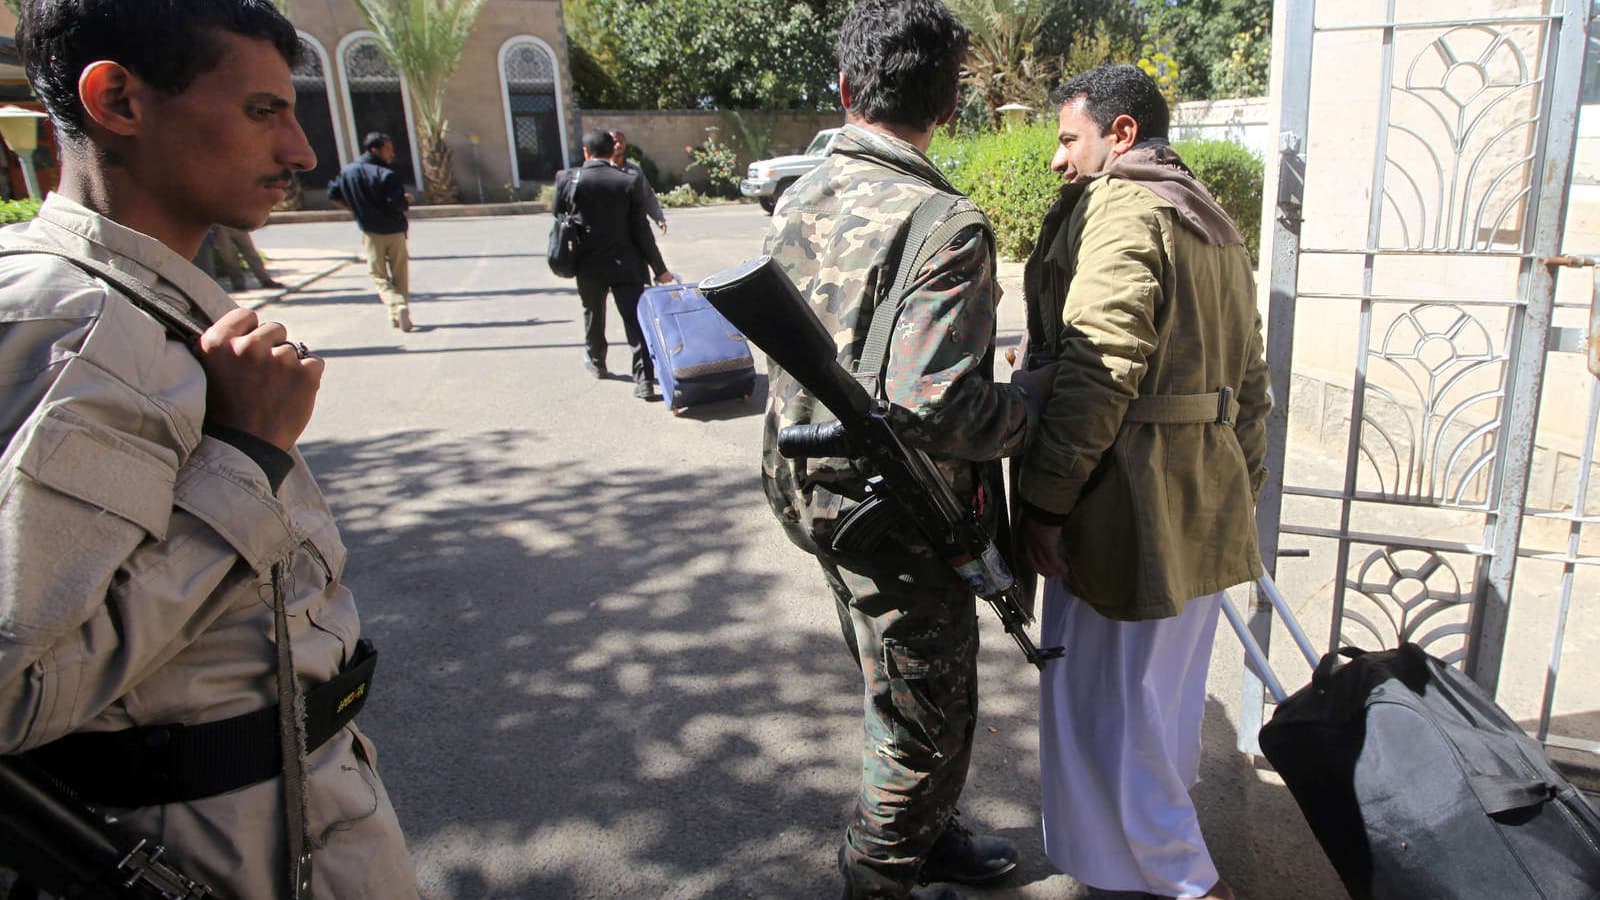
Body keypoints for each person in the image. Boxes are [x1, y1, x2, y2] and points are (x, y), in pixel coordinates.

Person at [0, 2, 418, 897]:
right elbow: (13, 690)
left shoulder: (134, 306)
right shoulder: (85, 330)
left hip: (288, 817)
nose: (302, 153)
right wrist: (244, 456)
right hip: (211, 852)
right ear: (117, 99)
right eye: (262, 111)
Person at [759, 1, 1053, 897]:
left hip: (810, 494)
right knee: (926, 726)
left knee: (893, 682)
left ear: (846, 88)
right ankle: (879, 872)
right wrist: (1027, 403)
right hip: (900, 517)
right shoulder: (943, 223)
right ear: (950, 105)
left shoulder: (796, 193)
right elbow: (936, 404)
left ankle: (930, 834)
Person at [1014, 64, 1271, 900]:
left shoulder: (1125, 204)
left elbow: (1101, 367)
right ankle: (1143, 863)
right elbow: (1254, 383)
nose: (1058, 160)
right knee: (1155, 704)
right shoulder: (1209, 213)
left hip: (1127, 506)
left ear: (1120, 136)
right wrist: (1241, 493)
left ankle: (1190, 882)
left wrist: (1047, 502)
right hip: (1201, 500)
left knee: (1112, 713)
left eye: (1068, 137)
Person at [554, 129, 674, 399]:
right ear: (613, 152)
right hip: (627, 264)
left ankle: (597, 362)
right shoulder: (627, 182)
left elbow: (558, 215)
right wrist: (660, 269)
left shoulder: (568, 180)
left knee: (593, 314)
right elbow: (641, 230)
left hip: (588, 264)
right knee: (635, 321)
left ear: (586, 152)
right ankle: (644, 380)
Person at [328, 130, 414, 331]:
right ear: (375, 150)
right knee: (399, 273)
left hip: (370, 231)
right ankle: (399, 305)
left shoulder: (348, 172)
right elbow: (398, 204)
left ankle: (396, 311)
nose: (392, 154)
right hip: (394, 231)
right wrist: (406, 200)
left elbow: (333, 194)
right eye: (388, 149)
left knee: (378, 275)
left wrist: (354, 208)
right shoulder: (387, 175)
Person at [609, 129, 667, 233]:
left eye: (621, 142)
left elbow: (647, 195)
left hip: (635, 225)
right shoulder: (603, 170)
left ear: (625, 144)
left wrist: (659, 219)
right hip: (611, 228)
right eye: (614, 142)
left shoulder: (634, 170)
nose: (618, 145)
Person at [212, 223, 285, 291]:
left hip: (237, 223)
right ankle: (238, 283)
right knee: (228, 257)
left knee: (251, 253)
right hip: (219, 226)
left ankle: (265, 280)